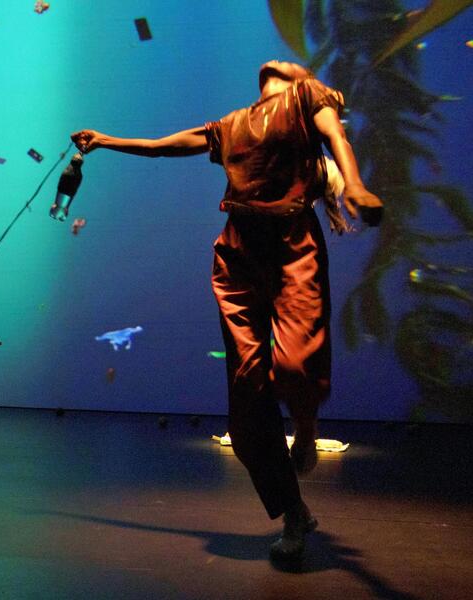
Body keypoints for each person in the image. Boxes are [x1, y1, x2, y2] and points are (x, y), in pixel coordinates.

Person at [71, 60, 383, 560]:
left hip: (292, 245)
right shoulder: (232, 124)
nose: (273, 62)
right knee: (246, 408)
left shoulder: (308, 100)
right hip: (238, 251)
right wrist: (107, 141)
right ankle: (294, 514)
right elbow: (166, 146)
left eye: (285, 64)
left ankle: (305, 429)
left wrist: (357, 184)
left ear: (299, 80)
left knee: (296, 363)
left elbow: (336, 140)